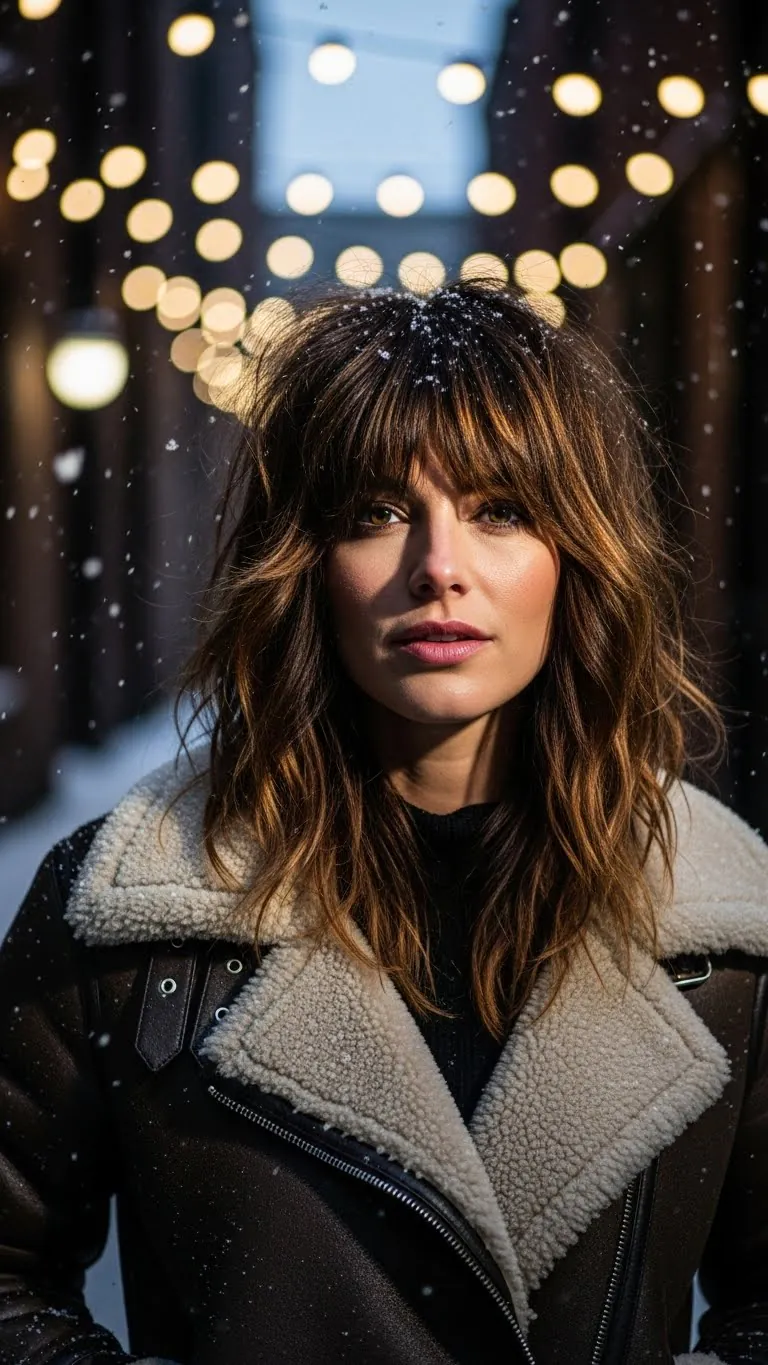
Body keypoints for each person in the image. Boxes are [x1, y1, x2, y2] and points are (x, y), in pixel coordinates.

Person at [1, 277, 767, 1365]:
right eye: (376, 513)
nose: (439, 568)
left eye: (501, 510)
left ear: (577, 557)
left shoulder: (724, 928)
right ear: (303, 564)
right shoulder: (132, 915)